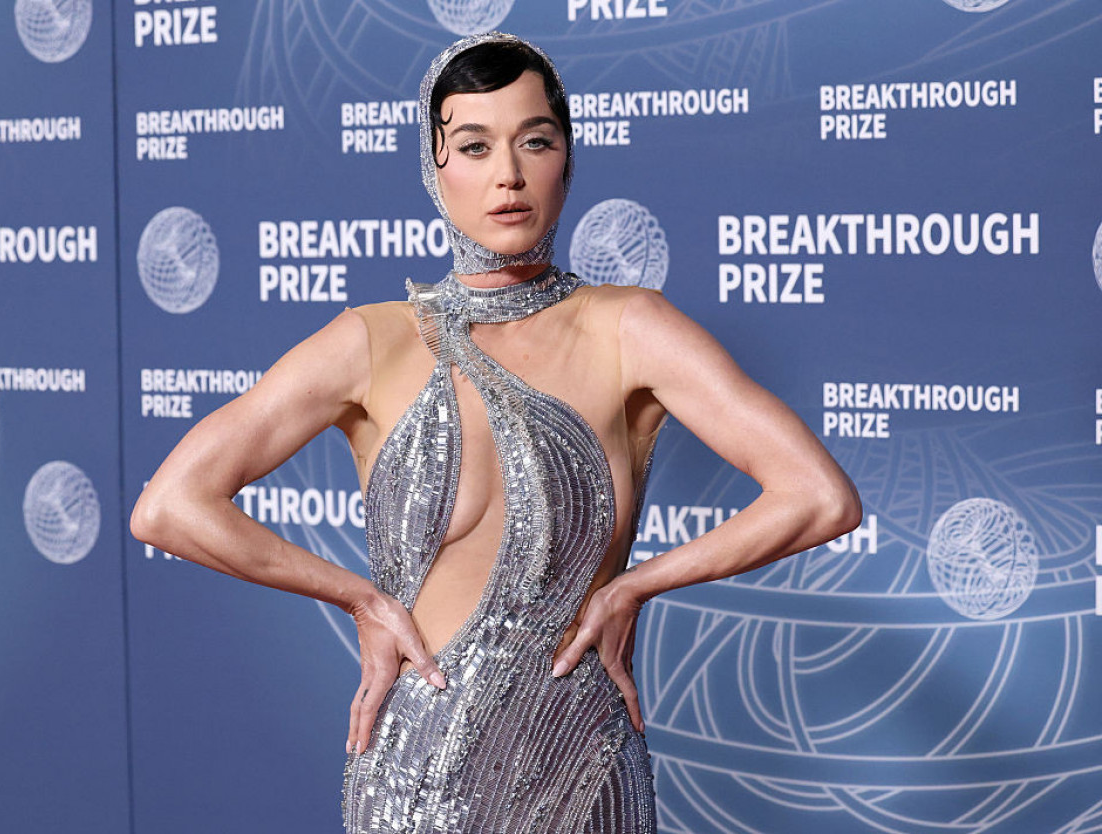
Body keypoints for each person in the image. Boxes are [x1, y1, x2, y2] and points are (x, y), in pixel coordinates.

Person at [130, 31, 861, 833]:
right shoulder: (374, 341)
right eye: (475, 146)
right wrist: (358, 599)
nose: (508, 174)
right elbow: (170, 507)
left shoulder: (628, 329)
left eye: (535, 141)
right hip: (412, 781)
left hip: (581, 769)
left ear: (567, 160)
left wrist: (635, 585)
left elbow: (820, 498)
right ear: (433, 166)